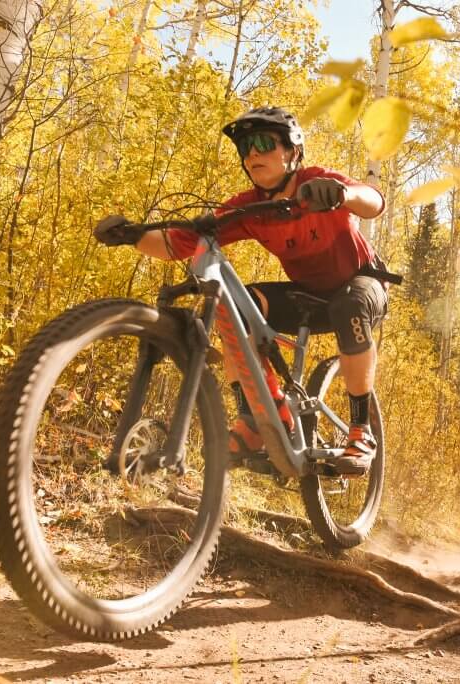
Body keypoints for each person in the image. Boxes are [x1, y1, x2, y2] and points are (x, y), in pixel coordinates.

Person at [93, 107, 390, 476]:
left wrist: (341, 193)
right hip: (306, 295)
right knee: (232, 307)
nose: (252, 154)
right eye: (246, 148)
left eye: (264, 143)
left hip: (360, 284)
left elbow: (374, 201)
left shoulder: (317, 181)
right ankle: (255, 418)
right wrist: (133, 236)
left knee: (349, 306)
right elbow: (179, 244)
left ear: (293, 151)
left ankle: (362, 429)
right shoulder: (249, 206)